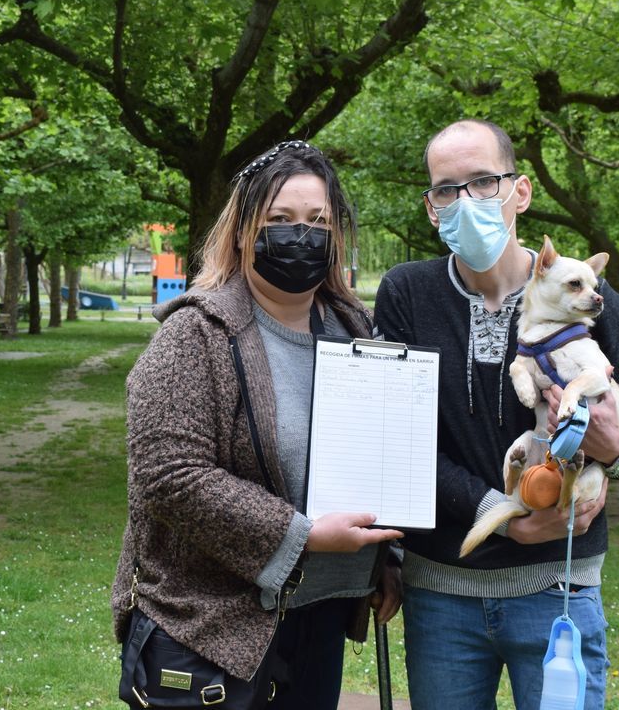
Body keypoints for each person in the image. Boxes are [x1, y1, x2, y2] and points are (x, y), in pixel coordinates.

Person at [374, 119, 619, 709]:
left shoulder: (591, 300)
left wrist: (614, 449)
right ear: (432, 208)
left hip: (559, 591)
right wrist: (502, 515)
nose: (466, 201)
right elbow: (395, 444)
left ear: (521, 192)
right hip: (442, 593)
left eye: (484, 181)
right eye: (447, 189)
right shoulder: (406, 294)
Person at [113, 140, 404, 709]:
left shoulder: (362, 333)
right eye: (280, 220)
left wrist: (383, 558)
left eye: (318, 221)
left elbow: (382, 459)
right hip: (212, 629)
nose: (302, 235)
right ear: (244, 230)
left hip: (321, 615)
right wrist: (302, 535)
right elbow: (170, 477)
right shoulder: (193, 336)